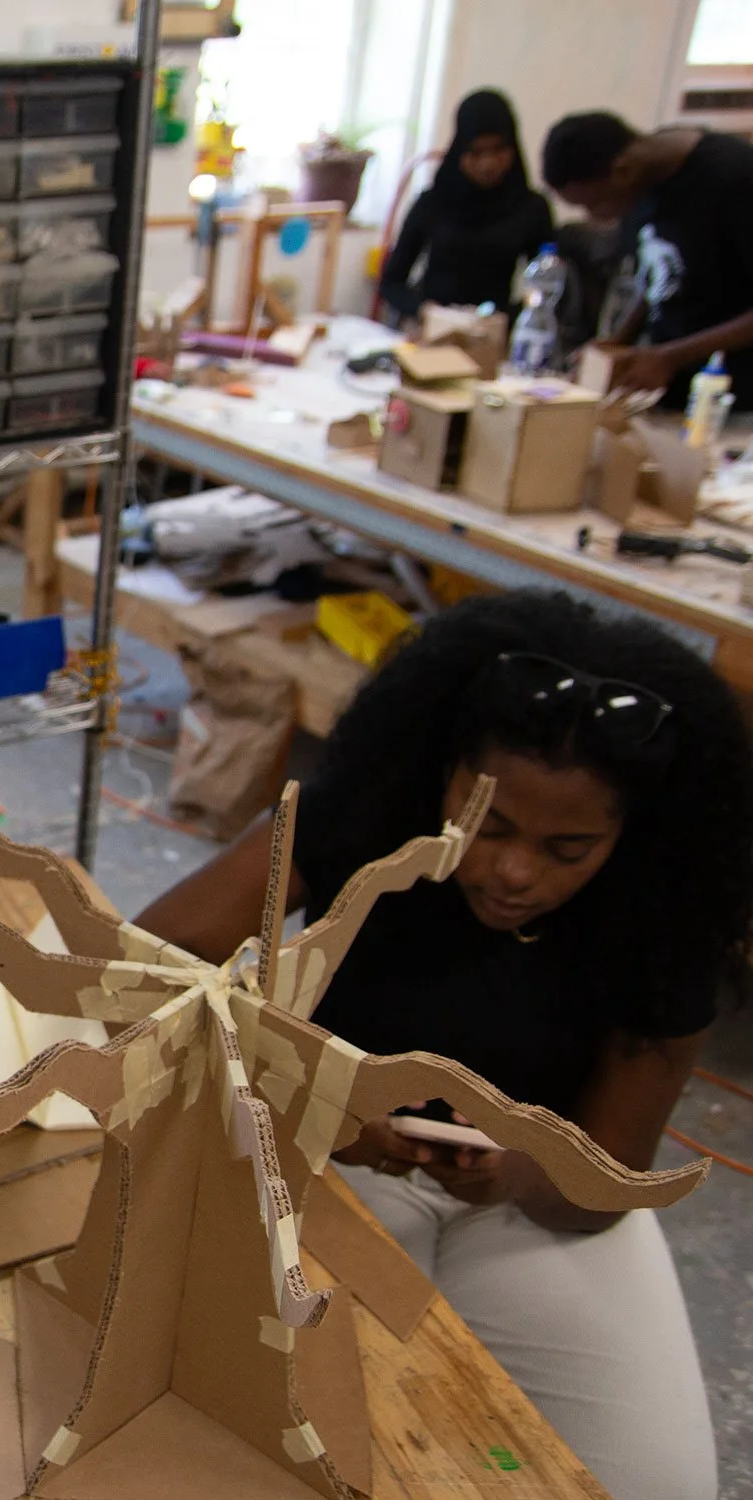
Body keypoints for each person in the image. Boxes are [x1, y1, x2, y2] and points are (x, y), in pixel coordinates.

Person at [138, 591, 748, 1500]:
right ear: (444, 773)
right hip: (321, 1149)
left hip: (530, 1189)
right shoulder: (371, 808)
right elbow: (153, 967)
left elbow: (604, 1178)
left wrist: (510, 1170)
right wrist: (316, 1104)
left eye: (569, 849)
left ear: (629, 834)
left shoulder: (669, 913)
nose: (513, 871)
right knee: (311, 1446)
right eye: (488, 824)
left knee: (662, 1483)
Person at [542, 110, 753, 403]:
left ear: (623, 170)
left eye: (595, 203)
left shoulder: (734, 179)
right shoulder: (644, 181)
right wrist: (619, 340)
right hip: (673, 384)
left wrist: (670, 357)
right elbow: (662, 276)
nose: (593, 217)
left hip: (729, 394)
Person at [379, 89, 553, 324]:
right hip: (433, 326)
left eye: (498, 150)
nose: (488, 164)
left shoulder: (531, 207)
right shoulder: (433, 202)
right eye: (476, 152)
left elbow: (548, 283)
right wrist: (425, 311)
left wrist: (508, 318)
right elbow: (391, 283)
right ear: (460, 149)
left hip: (495, 331)